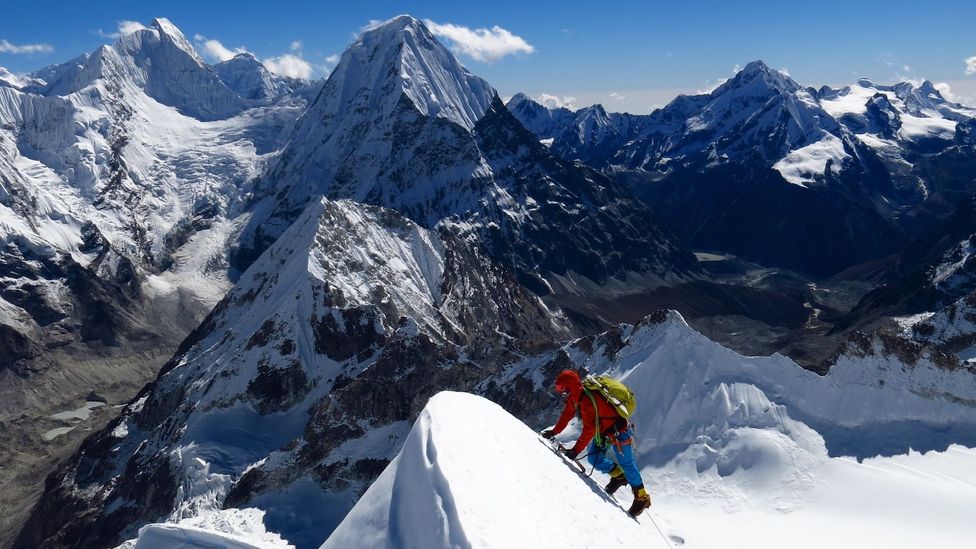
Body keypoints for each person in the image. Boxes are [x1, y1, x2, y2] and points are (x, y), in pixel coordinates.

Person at [541, 369, 651, 517]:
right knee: (594, 458)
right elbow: (567, 415)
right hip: (605, 433)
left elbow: (589, 430)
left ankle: (641, 497)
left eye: (564, 391)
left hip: (620, 433)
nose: (564, 395)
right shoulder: (577, 396)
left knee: (627, 463)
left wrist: (575, 451)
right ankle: (619, 476)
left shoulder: (586, 401)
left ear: (570, 388)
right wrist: (554, 432)